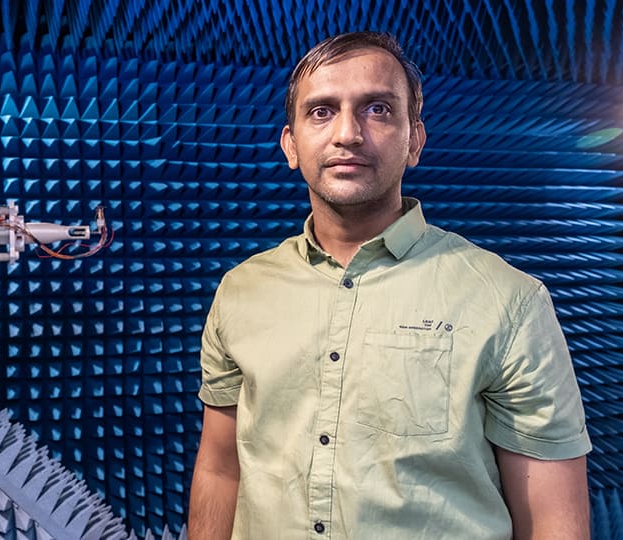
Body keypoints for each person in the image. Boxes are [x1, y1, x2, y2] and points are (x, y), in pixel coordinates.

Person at [187, 31, 592, 539]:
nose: (348, 134)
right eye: (321, 111)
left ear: (414, 140)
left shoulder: (508, 301)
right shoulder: (241, 291)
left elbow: (554, 522)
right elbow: (220, 470)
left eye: (377, 109)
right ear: (291, 145)